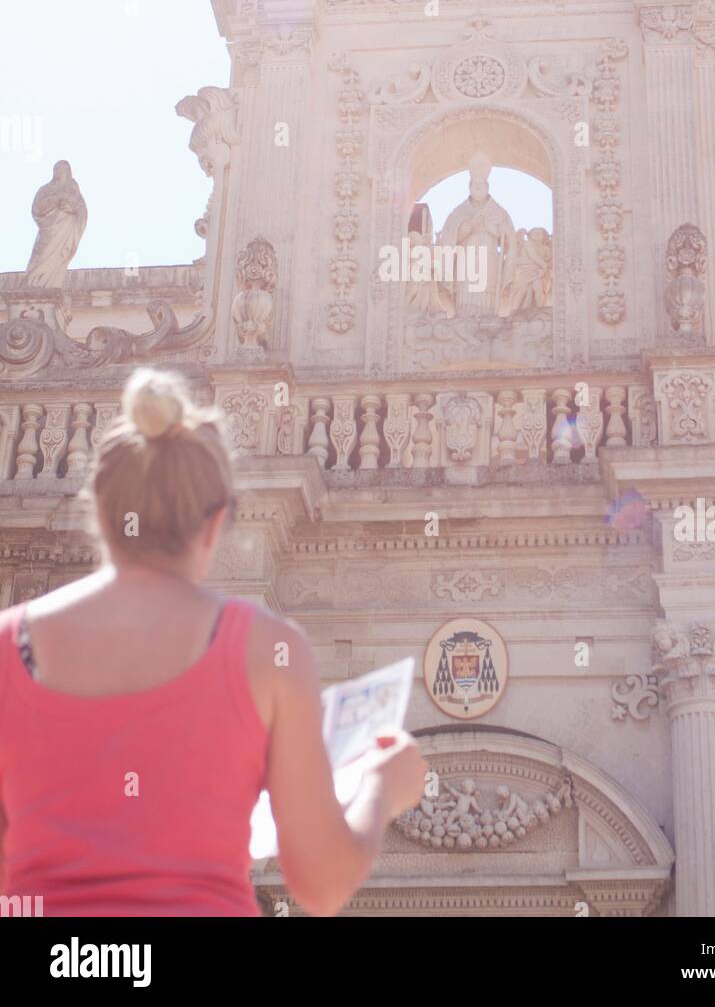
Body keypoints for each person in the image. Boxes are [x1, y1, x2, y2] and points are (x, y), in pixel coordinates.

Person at [0, 367, 425, 917]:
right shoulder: (267, 651)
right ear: (215, 523)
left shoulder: (10, 645)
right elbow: (320, 884)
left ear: (100, 510)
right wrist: (380, 789)